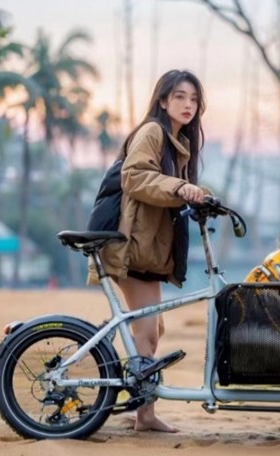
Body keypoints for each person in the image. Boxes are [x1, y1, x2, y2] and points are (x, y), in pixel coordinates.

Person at [88, 69, 207, 432]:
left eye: (194, 99)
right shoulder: (153, 132)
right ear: (162, 100)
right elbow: (135, 177)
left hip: (146, 252)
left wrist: (196, 195)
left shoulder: (177, 144)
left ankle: (141, 408)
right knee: (147, 332)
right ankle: (146, 415)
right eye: (180, 97)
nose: (188, 105)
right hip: (129, 247)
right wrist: (180, 187)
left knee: (152, 328)